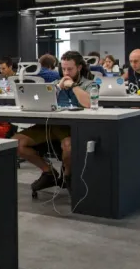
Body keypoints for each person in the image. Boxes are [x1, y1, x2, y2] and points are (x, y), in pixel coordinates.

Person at [14, 51, 94, 190]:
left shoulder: (89, 84)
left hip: (72, 127)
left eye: (70, 69)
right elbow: (41, 101)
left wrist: (73, 86)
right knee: (16, 143)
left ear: (79, 68)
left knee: (68, 146)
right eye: (63, 69)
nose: (66, 72)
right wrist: (57, 87)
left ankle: (68, 176)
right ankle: (48, 172)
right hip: (50, 125)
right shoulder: (56, 83)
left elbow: (89, 104)